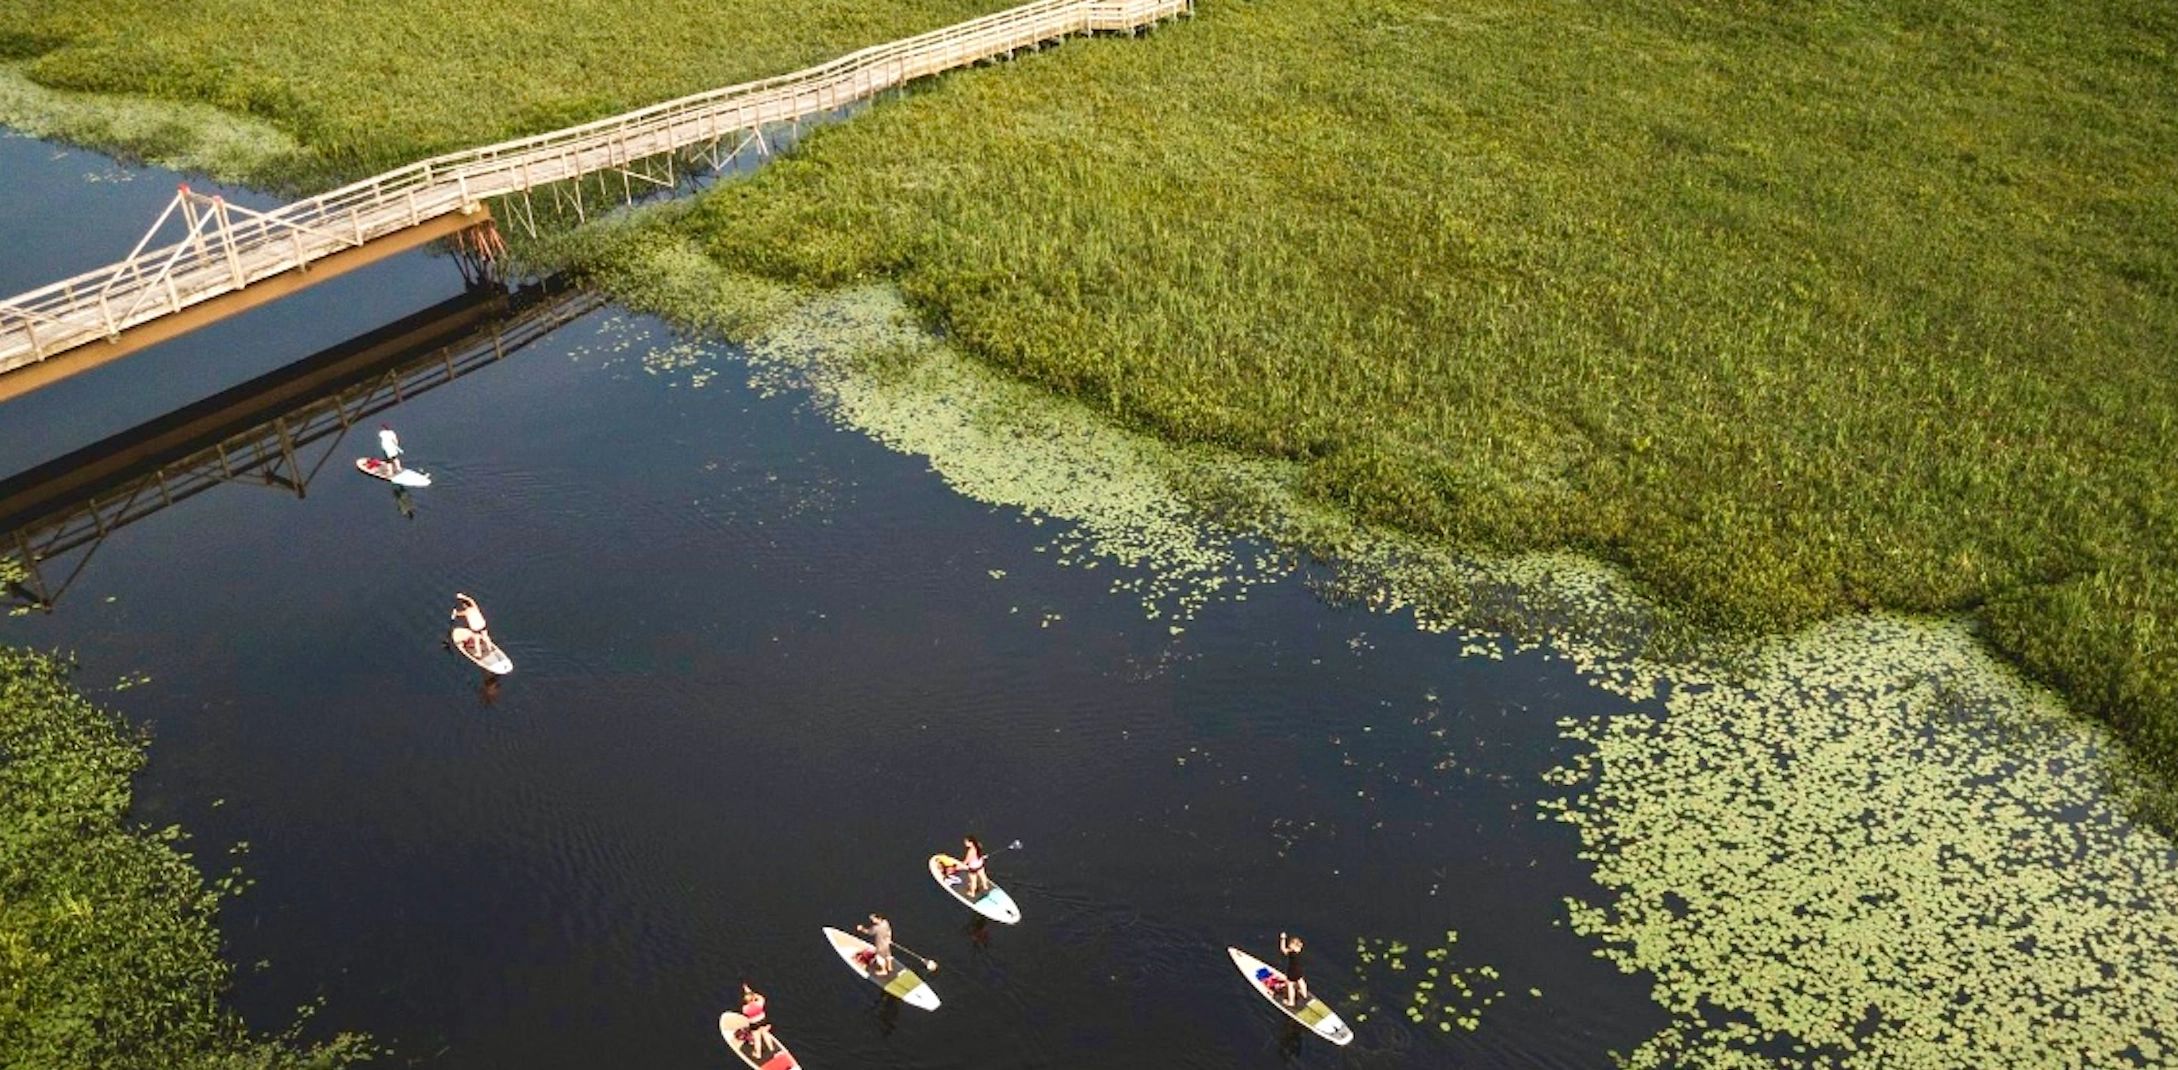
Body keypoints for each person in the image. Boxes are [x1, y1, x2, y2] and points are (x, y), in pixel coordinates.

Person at [739, 981, 780, 1059]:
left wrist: (748, 994)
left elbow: (746, 1015)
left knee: (757, 1039)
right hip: (763, 1021)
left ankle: (758, 1054)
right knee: (766, 1034)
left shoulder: (745, 1008)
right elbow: (760, 997)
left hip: (754, 1024)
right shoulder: (760, 1002)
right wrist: (751, 992)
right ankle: (772, 1050)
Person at [1278, 931, 1310, 1007]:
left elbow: (1283, 949)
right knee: (1301, 981)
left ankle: (1291, 1002)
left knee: (1290, 985)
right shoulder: (1299, 950)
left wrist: (1283, 939)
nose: (1289, 945)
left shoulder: (1291, 952)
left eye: (1290, 944)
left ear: (1293, 946)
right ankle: (1304, 994)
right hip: (1299, 970)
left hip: (1292, 971)